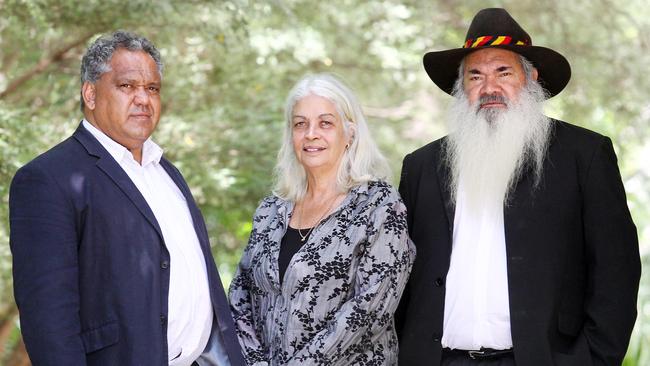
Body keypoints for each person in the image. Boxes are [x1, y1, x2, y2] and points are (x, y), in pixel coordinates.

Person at [396, 8, 640, 366]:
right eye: (475, 75)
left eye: (503, 72)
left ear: (531, 78)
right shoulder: (420, 166)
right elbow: (400, 276)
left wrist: (592, 359)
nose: (489, 87)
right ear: (461, 87)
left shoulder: (583, 155)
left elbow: (616, 272)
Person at [9, 31, 244, 366]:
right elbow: (49, 322)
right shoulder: (48, 179)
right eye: (127, 86)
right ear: (90, 94)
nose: (143, 99)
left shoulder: (167, 173)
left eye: (152, 89)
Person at [228, 73, 415, 365]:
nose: (311, 133)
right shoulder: (270, 211)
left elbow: (370, 310)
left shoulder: (379, 205)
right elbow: (239, 297)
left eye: (325, 123)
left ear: (350, 133)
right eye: (300, 124)